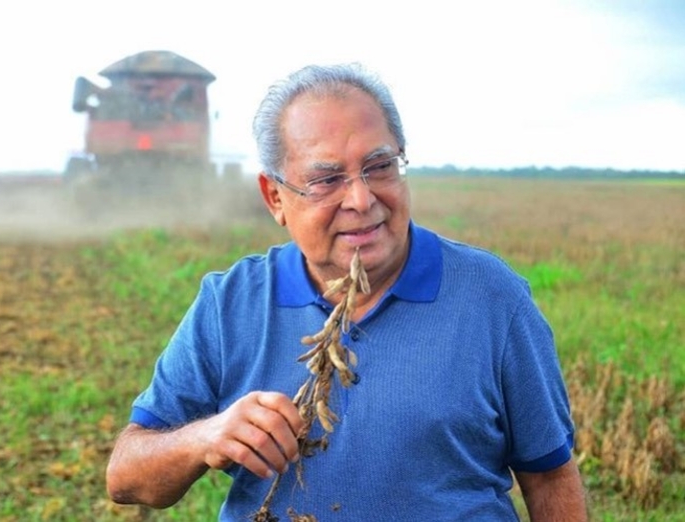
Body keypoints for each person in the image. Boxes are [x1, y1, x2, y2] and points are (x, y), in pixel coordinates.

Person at [106, 62, 587, 521]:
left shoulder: (491, 298)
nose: (361, 199)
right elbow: (127, 477)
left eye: (379, 166)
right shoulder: (229, 305)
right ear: (275, 197)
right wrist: (203, 438)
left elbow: (548, 477)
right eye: (326, 179)